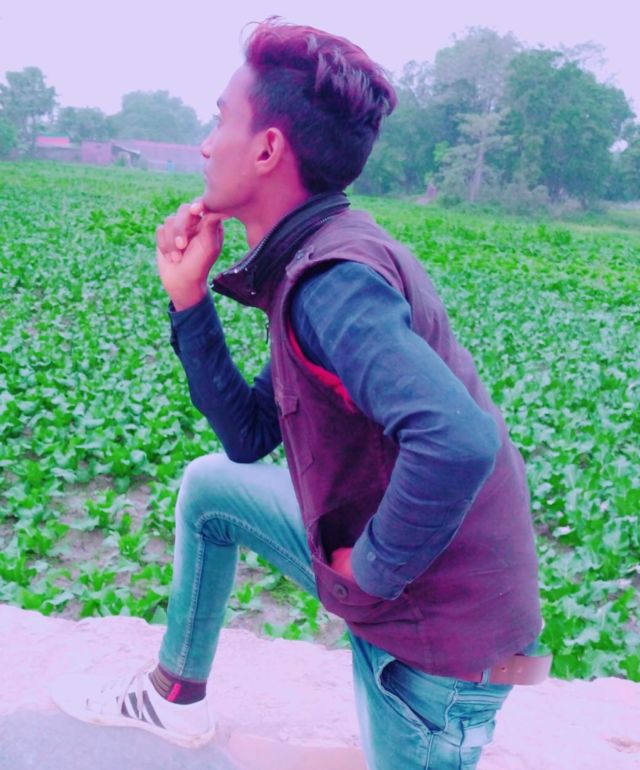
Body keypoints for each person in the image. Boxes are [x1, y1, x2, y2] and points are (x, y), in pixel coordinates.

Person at [51, 18, 550, 770]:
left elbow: (458, 441)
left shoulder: (333, 281)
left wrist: (372, 570)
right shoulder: (314, 257)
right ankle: (173, 695)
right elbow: (249, 435)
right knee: (211, 489)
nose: (205, 145)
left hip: (434, 648)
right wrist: (188, 299)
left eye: (220, 119)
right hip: (411, 585)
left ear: (267, 149)